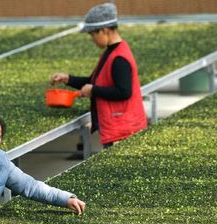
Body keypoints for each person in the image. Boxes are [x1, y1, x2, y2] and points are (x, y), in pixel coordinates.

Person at [50, 2, 147, 149]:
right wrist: (67, 79)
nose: (92, 39)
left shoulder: (119, 58)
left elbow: (124, 92)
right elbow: (94, 81)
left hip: (123, 131)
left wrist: (93, 90)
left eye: (93, 34)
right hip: (116, 127)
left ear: (105, 30)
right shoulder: (110, 52)